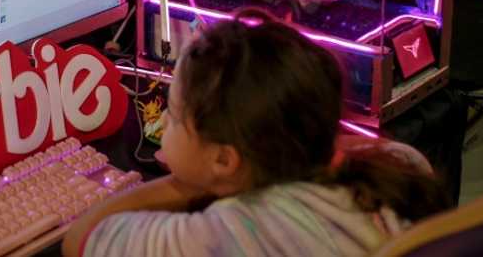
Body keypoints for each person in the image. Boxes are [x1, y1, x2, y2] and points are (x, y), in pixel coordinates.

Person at [62, 13, 448, 257]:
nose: (163, 118)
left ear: (225, 160)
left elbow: (82, 239)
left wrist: (186, 186)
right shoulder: (402, 166)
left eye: (175, 116)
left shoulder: (228, 234)